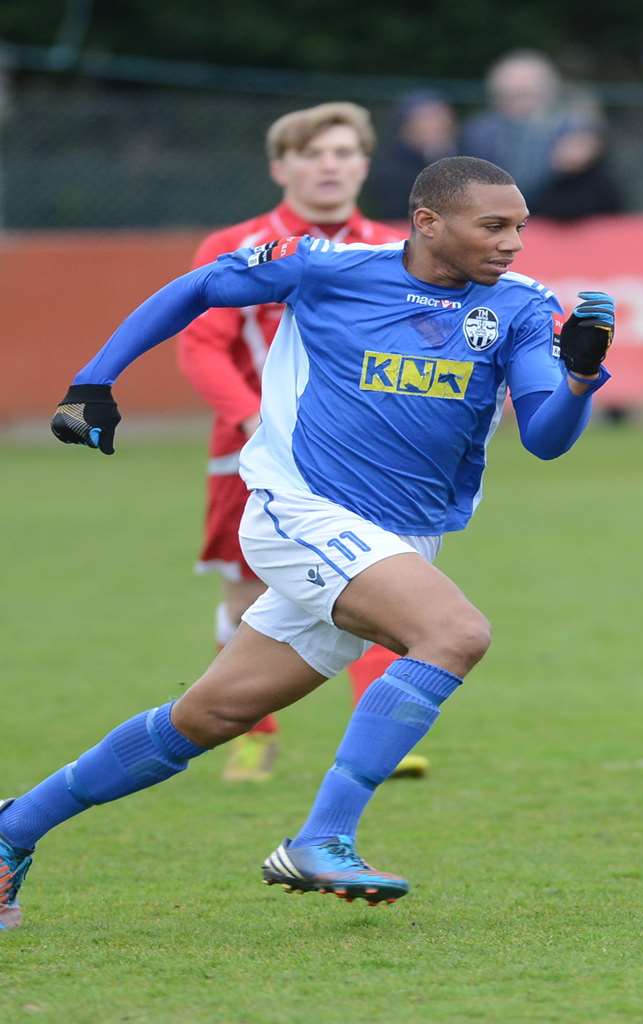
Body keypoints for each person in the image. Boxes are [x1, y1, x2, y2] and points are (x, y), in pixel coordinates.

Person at [0, 157, 618, 929]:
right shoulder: (329, 269)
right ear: (429, 223)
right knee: (453, 633)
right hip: (302, 511)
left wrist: (580, 380)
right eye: (494, 226)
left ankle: (10, 831)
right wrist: (93, 383)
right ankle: (323, 837)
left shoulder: (523, 309)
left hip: (399, 541)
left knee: (210, 717)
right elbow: (198, 288)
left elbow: (549, 439)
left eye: (520, 226)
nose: (514, 243)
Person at [175, 101, 416, 783]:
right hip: (253, 454)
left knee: (384, 584)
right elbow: (202, 346)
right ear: (282, 167)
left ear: (365, 164)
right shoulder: (240, 245)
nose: (330, 166)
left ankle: (380, 733)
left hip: (363, 456)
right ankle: (254, 735)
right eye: (313, 154)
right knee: (247, 597)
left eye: (344, 152)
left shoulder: (397, 248)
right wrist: (254, 420)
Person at [461, 51, 616, 216]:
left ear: (548, 94)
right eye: (506, 96)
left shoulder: (576, 132)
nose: (517, 104)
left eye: (524, 95)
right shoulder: (479, 133)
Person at [367, 93, 458, 221]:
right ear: (406, 128)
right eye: (428, 119)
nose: (436, 126)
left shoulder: (460, 156)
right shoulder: (389, 170)